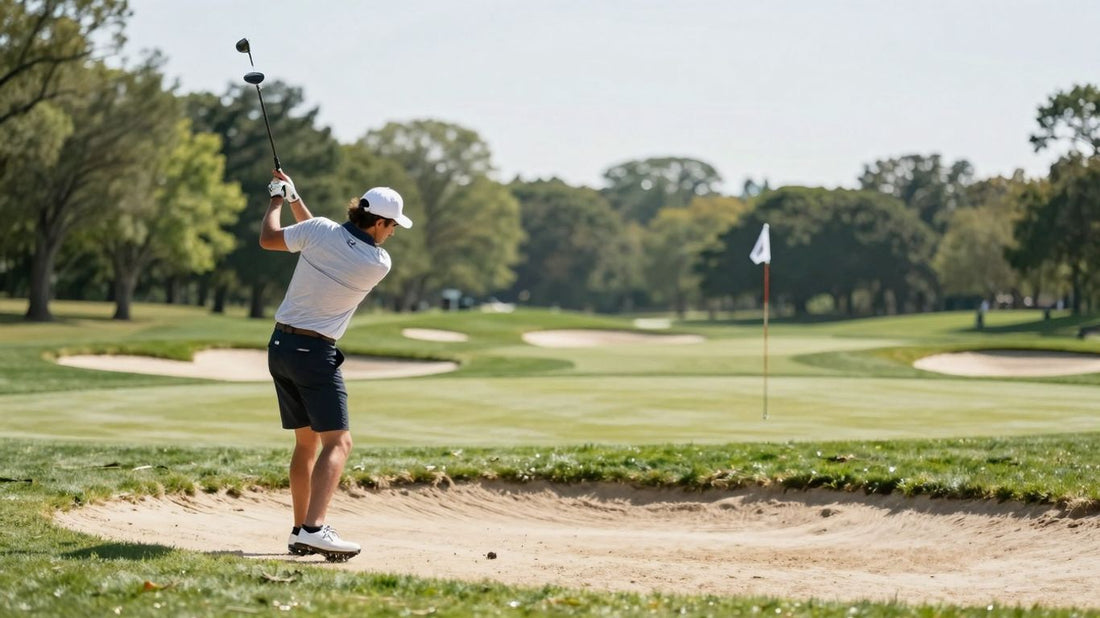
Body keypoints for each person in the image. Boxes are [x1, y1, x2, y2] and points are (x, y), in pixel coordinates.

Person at [259, 169, 413, 561]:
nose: (393, 232)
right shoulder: (377, 262)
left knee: (306, 442)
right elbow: (319, 236)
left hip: (280, 346)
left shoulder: (322, 231)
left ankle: (299, 530)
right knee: (339, 442)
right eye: (392, 225)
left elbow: (274, 239)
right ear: (379, 223)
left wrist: (280, 199)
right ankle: (313, 529)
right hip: (315, 355)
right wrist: (291, 199)